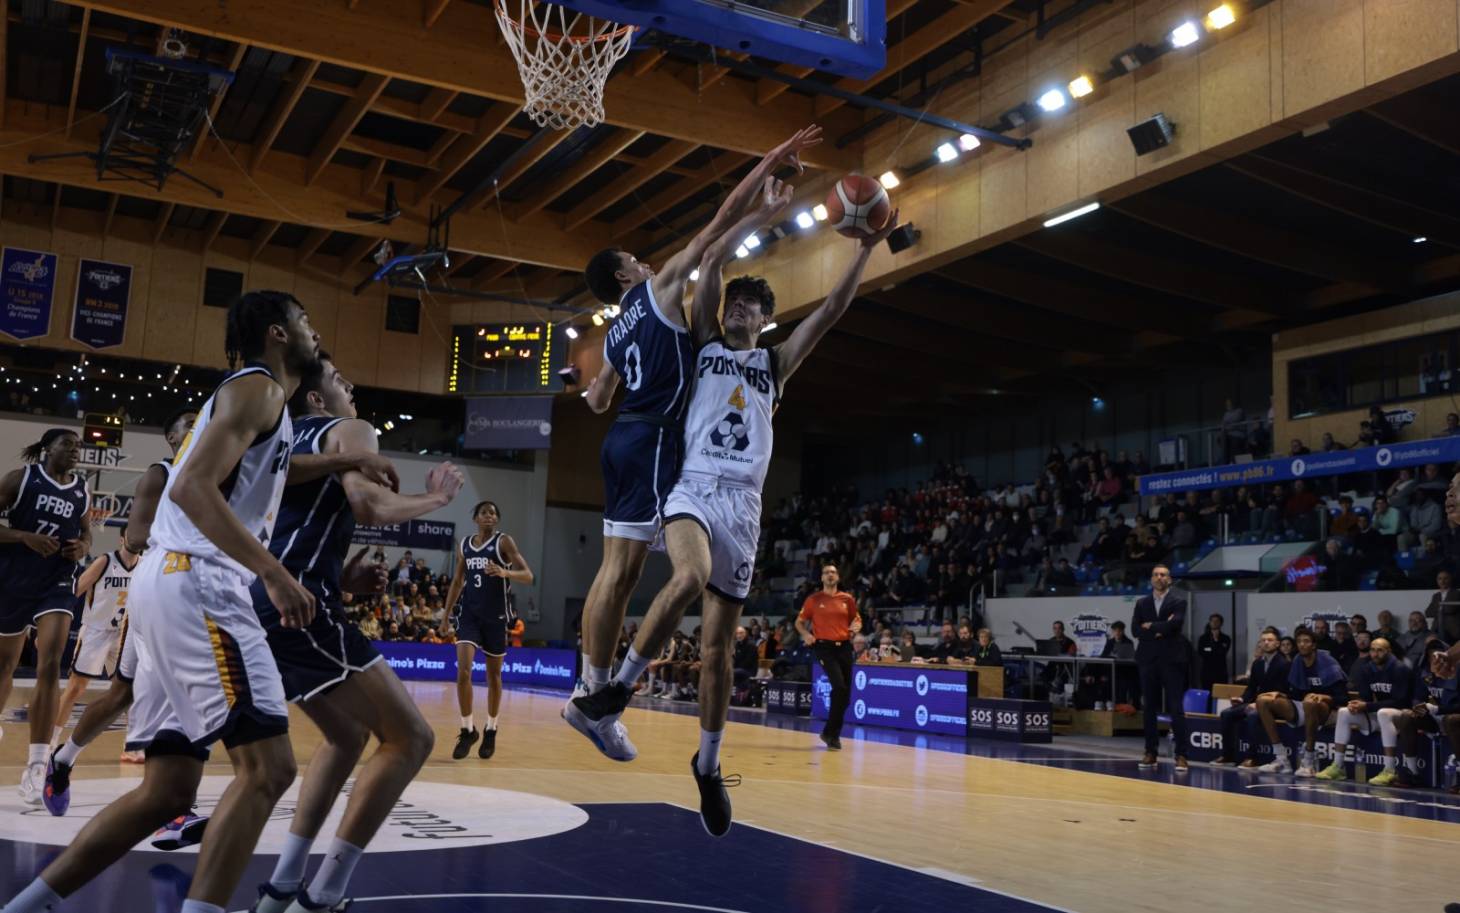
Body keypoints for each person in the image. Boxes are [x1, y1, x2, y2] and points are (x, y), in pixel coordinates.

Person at [571, 173, 899, 836]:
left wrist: (865, 249)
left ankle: (709, 764)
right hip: (693, 486)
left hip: (744, 508)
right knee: (685, 576)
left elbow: (831, 312)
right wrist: (760, 207)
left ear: (764, 318)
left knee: (719, 651)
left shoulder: (774, 365)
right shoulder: (703, 342)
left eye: (751, 306)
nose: (740, 310)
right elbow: (711, 258)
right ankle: (618, 686)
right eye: (736, 303)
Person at [2, 290, 322, 913]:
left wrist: (349, 458)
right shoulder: (259, 388)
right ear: (278, 333)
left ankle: (24, 905)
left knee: (169, 790)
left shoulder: (258, 402)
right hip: (200, 584)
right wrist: (274, 573)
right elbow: (194, 488)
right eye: (304, 319)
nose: (315, 331)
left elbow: (266, 473)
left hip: (169, 587)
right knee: (270, 770)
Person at [567, 127, 823, 761]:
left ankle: (594, 690)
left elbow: (597, 398)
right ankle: (595, 698)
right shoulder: (653, 293)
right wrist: (765, 173)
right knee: (623, 575)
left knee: (613, 572)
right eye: (635, 256)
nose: (646, 259)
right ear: (626, 271)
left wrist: (601, 387)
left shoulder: (613, 332)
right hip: (653, 439)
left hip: (622, 435)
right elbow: (714, 229)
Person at [247, 353, 464, 912]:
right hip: (298, 603)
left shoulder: (286, 443)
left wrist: (341, 579)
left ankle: (283, 889)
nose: (353, 387)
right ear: (317, 399)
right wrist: (435, 500)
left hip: (264, 600)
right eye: (341, 381)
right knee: (412, 738)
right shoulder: (349, 430)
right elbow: (369, 504)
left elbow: (293, 530)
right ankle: (325, 895)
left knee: (346, 737)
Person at [47, 409, 197, 787]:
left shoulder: (213, 473)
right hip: (151, 596)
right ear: (172, 438)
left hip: (151, 606)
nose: (200, 428)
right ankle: (169, 794)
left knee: (131, 692)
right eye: (190, 424)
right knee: (152, 691)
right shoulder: (160, 473)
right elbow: (135, 537)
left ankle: (68, 759)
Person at [0, 428, 90, 805]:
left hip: (56, 582)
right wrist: (24, 537)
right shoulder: (21, 480)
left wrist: (81, 547)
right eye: (67, 444)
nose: (74, 451)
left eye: (78, 447)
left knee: (51, 663)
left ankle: (38, 764)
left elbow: (86, 536)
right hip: (12, 579)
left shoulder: (81, 491)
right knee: (4, 666)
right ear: (47, 448)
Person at [444, 500, 533, 761]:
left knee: (494, 677)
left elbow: (528, 575)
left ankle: (491, 729)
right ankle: (467, 728)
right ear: (475, 518)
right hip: (469, 616)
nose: (489, 516)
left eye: (493, 512)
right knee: (463, 672)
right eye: (484, 512)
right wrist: (447, 613)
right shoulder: (464, 545)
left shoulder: (504, 542)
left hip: (495, 617)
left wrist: (505, 572)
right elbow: (458, 581)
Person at [50, 543, 140, 761]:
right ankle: (51, 743)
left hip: (123, 635)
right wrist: (55, 624)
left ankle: (132, 747)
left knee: (129, 692)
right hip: (96, 632)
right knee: (75, 689)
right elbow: (76, 590)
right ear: (122, 539)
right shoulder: (105, 561)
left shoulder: (145, 566)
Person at [1315, 637, 1410, 784]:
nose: (1375, 654)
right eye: (1372, 650)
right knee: (1344, 712)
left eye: (1380, 650)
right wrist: (1357, 704)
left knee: (1384, 713)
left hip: (1402, 716)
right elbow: (1366, 698)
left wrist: (1366, 706)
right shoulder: (1367, 669)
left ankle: (1390, 770)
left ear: (1389, 651)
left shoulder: (1399, 669)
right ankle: (1338, 767)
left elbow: (1400, 701)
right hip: (1378, 714)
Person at [1254, 627, 1348, 776]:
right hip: (1304, 706)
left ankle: (1308, 761)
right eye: (1299, 642)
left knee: (1310, 702)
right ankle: (1281, 759)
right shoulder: (1297, 660)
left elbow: (1343, 698)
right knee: (1262, 700)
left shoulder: (1327, 662)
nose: (1302, 645)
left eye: (1306, 641)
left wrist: (1322, 696)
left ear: (1314, 645)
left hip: (1329, 710)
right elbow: (1295, 695)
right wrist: (1281, 694)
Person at [793, 564, 860, 750]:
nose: (830, 575)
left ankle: (831, 734)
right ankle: (831, 733)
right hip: (824, 647)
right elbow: (799, 622)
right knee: (839, 686)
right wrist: (806, 634)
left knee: (845, 697)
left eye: (833, 572)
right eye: (826, 573)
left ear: (838, 577)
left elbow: (856, 618)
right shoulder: (814, 599)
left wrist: (856, 627)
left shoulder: (847, 599)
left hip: (845, 647)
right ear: (821, 577)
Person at [1132, 565, 1191, 771]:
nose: (1159, 577)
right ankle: (1150, 752)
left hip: (1172, 660)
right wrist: (1159, 629)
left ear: (1170, 579)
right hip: (1148, 660)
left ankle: (1181, 755)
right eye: (1156, 574)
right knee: (1149, 707)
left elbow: (1176, 624)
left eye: (1163, 575)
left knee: (1176, 708)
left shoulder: (1179, 601)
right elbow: (1135, 630)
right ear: (1151, 579)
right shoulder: (1141, 603)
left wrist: (1151, 626)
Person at [1213, 628, 1289, 767]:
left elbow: (1283, 690)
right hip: (1256, 703)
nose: (1266, 643)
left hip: (1275, 705)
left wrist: (1259, 703)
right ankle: (1228, 755)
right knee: (1226, 714)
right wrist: (1242, 699)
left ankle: (1253, 757)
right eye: (1263, 640)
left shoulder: (1284, 664)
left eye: (1270, 640)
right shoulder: (1257, 663)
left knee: (1253, 715)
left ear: (1277, 644)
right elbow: (1252, 688)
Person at [1393, 640, 1460, 789]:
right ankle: (1413, 772)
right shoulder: (1424, 673)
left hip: (1451, 715)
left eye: (1437, 657)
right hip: (1437, 716)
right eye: (1431, 657)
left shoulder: (1456, 671)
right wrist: (1419, 708)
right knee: (1407, 716)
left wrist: (1438, 709)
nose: (1434, 660)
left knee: (1451, 720)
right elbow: (1418, 697)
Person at [1197, 613, 1232, 692]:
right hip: (1207, 673)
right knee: (1207, 695)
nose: (1214, 623)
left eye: (1217, 621)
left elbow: (1222, 653)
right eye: (1212, 621)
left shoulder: (1226, 638)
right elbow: (1201, 653)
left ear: (1221, 623)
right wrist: (1212, 652)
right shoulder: (1203, 638)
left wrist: (1216, 641)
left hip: (1220, 672)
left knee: (1220, 696)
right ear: (1209, 622)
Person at [1426, 569, 1460, 643]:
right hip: (1437, 629)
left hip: (1452, 631)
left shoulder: (1456, 593)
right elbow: (1428, 613)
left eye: (1445, 578)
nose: (1442, 581)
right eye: (1440, 579)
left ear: (1450, 579)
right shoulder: (1436, 596)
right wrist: (1441, 608)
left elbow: (1450, 609)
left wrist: (1438, 608)